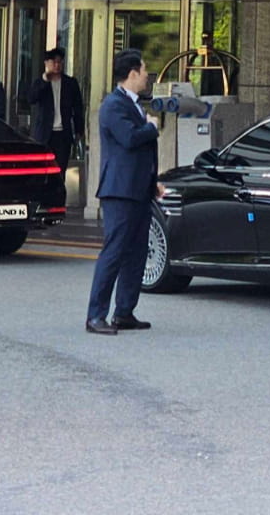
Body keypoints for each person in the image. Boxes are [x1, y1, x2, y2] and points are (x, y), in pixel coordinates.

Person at [84, 49, 160, 336]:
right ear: (132, 74)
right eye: (144, 70)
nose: (147, 76)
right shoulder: (113, 105)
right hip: (120, 190)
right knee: (114, 252)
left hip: (139, 189)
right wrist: (151, 127)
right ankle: (95, 315)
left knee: (137, 253)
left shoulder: (135, 103)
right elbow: (129, 139)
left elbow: (141, 154)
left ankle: (124, 312)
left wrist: (154, 182)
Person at [23, 48, 86, 167]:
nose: (57, 65)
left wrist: (79, 130)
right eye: (54, 62)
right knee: (42, 167)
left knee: (60, 168)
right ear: (46, 63)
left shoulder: (70, 83)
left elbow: (77, 107)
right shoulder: (40, 82)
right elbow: (31, 98)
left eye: (60, 62)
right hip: (45, 134)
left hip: (63, 134)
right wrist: (45, 80)